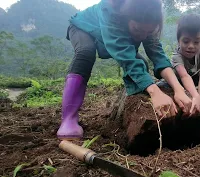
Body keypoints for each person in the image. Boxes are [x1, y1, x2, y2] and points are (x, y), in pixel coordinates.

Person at [57, 0, 192, 139]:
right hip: (84, 28)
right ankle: (69, 118)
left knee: (141, 64)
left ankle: (132, 111)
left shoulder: (149, 20)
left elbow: (158, 56)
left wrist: (178, 90)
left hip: (111, 38)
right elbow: (127, 58)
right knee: (85, 52)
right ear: (125, 18)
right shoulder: (110, 11)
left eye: (149, 31)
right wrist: (155, 91)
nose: (143, 36)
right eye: (137, 30)